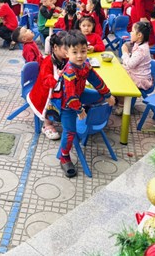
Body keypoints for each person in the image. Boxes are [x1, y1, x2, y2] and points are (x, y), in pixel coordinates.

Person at [45, 30, 115, 177]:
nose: (79, 56)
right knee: (70, 132)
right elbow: (70, 96)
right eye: (75, 52)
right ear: (67, 54)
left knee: (100, 96)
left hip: (80, 94)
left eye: (83, 51)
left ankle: (89, 112)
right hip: (67, 105)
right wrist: (79, 110)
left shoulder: (85, 65)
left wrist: (107, 94)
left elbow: (96, 79)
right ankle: (64, 157)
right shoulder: (70, 71)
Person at [121, 21, 153, 90]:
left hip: (140, 80)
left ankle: (120, 96)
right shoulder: (139, 43)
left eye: (132, 31)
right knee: (119, 70)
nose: (130, 33)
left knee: (119, 79)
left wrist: (125, 52)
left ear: (139, 35)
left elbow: (130, 65)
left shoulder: (141, 50)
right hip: (135, 73)